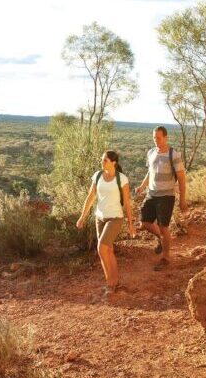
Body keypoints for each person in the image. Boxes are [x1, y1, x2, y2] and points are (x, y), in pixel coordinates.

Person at [76, 150, 136, 295]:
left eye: (105, 160)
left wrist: (130, 225)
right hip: (100, 217)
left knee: (102, 248)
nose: (102, 163)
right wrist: (82, 217)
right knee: (107, 251)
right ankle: (115, 282)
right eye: (101, 160)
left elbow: (127, 204)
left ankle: (110, 284)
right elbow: (91, 197)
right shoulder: (97, 176)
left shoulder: (122, 179)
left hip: (115, 217)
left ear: (113, 162)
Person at [134, 126, 187, 271]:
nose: (156, 140)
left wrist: (182, 200)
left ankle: (166, 258)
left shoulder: (174, 155)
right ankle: (162, 239)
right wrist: (142, 187)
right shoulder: (151, 152)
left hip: (166, 195)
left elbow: (182, 178)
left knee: (164, 227)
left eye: (158, 138)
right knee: (144, 222)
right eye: (154, 138)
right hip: (151, 193)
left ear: (166, 137)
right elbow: (149, 172)